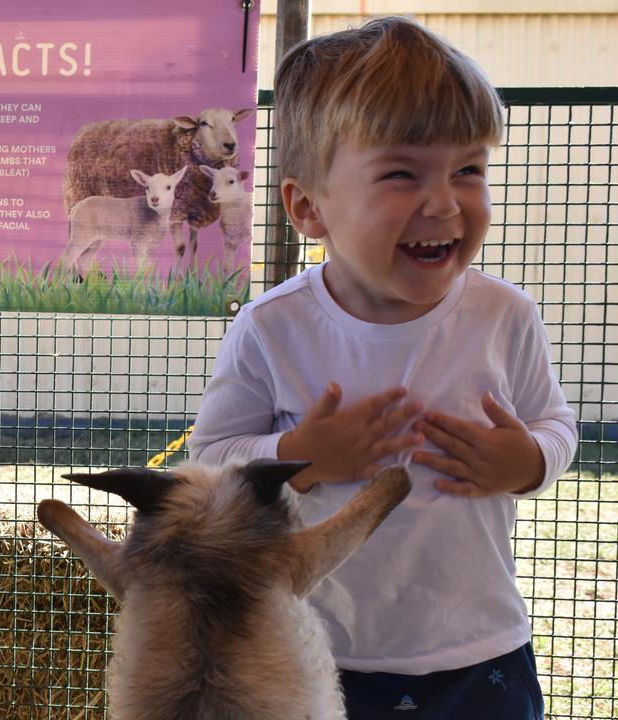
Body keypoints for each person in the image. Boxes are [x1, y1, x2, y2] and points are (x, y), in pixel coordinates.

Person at [187, 16, 576, 720]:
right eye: (402, 173)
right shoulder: (272, 328)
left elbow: (555, 424)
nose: (444, 201)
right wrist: (297, 458)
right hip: (314, 652)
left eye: (469, 169)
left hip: (480, 651)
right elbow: (209, 459)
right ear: (308, 207)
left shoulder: (503, 315)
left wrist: (526, 461)